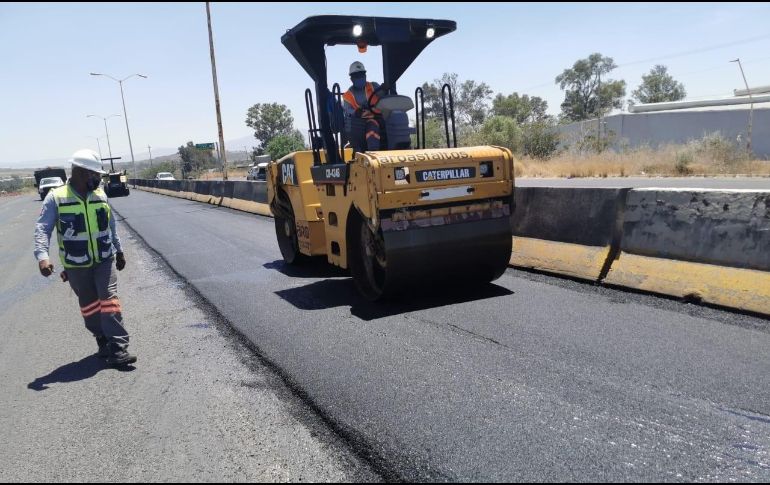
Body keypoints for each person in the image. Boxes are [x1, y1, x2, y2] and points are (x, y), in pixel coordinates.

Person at [34, 149, 136, 366]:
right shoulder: (56, 197)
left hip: (104, 259)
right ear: (79, 172)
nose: (98, 178)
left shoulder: (101, 194)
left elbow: (111, 225)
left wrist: (119, 250)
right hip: (76, 264)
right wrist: (43, 256)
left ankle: (118, 347)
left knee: (109, 300)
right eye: (94, 174)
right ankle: (101, 338)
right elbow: (43, 229)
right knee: (90, 306)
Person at [342, 61, 382, 151]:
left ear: (365, 75)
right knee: (370, 127)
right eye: (357, 76)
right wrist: (358, 112)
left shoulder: (374, 86)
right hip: (358, 125)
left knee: (373, 125)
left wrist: (385, 89)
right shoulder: (348, 95)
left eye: (362, 74)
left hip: (378, 119)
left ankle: (374, 152)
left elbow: (385, 99)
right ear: (351, 79)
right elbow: (348, 110)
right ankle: (370, 153)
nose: (360, 77)